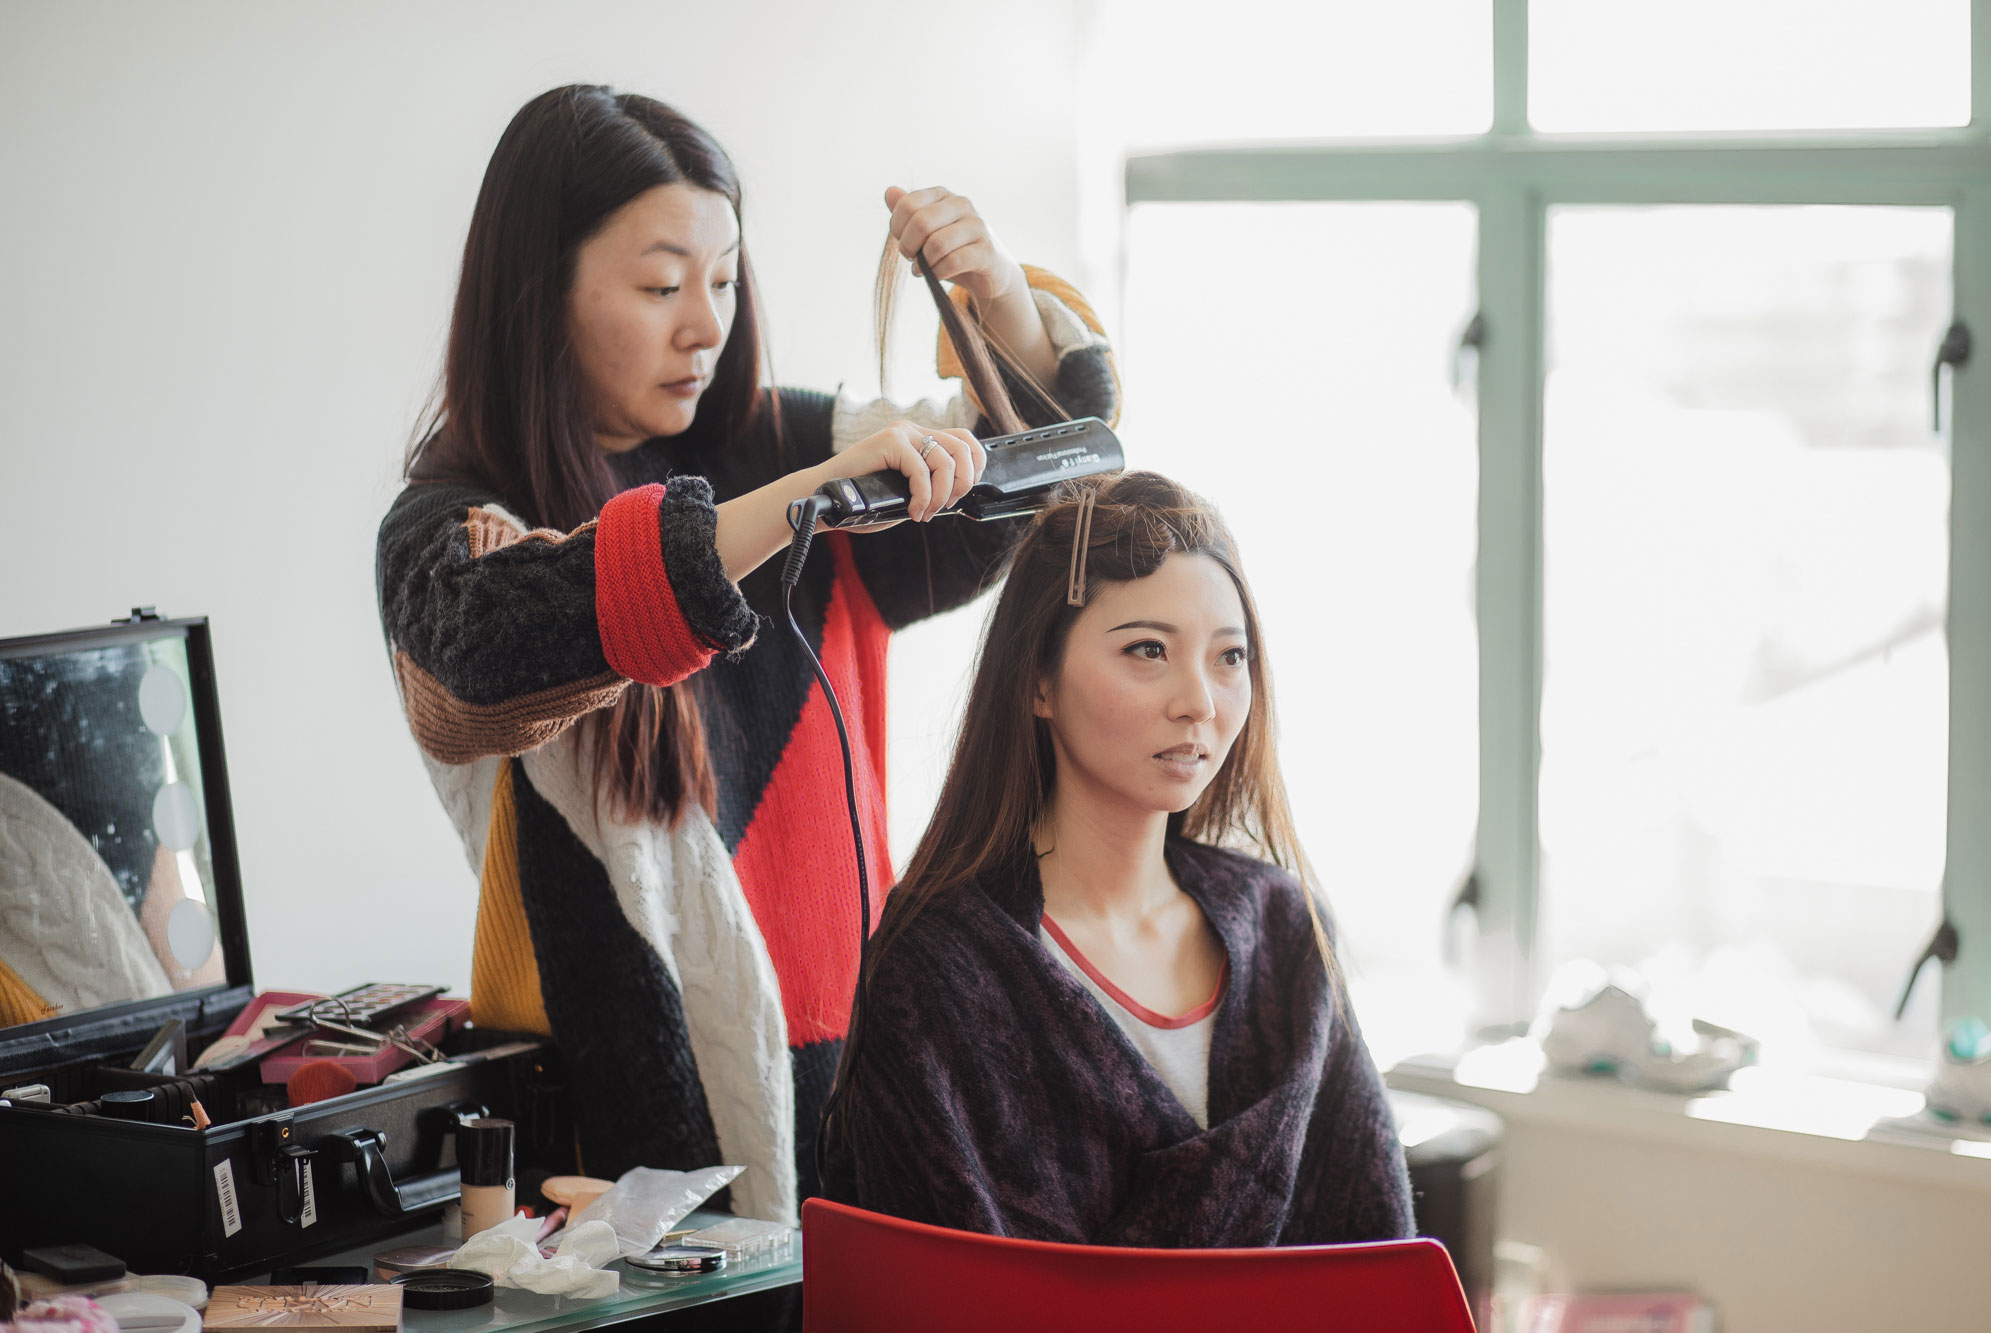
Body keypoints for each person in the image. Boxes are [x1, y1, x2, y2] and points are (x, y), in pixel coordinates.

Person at [374, 84, 1119, 1223]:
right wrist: (802, 498)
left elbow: (1044, 491)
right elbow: (476, 666)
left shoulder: (801, 443)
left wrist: (1008, 311)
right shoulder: (459, 519)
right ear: (539, 294)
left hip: (866, 1071)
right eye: (661, 284)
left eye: (722, 281)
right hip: (621, 1129)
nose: (704, 325)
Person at [819, 471, 1414, 1246]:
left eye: (1229, 657)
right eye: (1147, 650)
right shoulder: (939, 966)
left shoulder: (1286, 927)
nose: (1199, 699)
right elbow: (928, 1290)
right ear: (1038, 678)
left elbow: (1376, 1249)